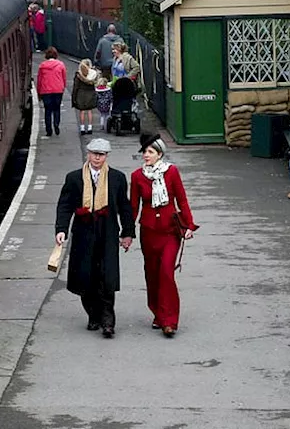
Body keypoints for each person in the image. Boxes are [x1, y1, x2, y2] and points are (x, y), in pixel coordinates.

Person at [55, 138, 135, 338]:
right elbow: (65, 205)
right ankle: (93, 315)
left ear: (106, 156)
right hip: (83, 233)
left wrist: (127, 233)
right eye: (94, 153)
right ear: (88, 154)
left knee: (107, 277)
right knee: (85, 276)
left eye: (101, 154)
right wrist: (61, 229)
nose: (97, 158)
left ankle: (108, 321)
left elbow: (125, 208)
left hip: (107, 232)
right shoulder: (74, 178)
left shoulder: (117, 178)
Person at [130, 133, 198, 338]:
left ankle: (169, 321)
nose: (145, 155)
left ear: (160, 154)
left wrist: (188, 225)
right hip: (149, 231)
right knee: (152, 274)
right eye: (144, 152)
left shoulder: (172, 172)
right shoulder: (137, 176)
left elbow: (182, 200)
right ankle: (157, 313)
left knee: (166, 273)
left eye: (150, 152)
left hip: (170, 231)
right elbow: (133, 206)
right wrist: (126, 232)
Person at [36, 47, 67, 136]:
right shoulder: (61, 65)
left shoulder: (42, 66)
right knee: (57, 109)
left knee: (48, 111)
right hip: (58, 90)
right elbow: (64, 78)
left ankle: (48, 130)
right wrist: (62, 87)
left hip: (46, 91)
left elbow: (39, 80)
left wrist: (39, 92)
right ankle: (56, 124)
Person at [71, 59, 100, 135]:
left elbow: (76, 86)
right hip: (90, 93)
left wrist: (73, 97)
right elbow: (96, 83)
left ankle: (82, 128)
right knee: (89, 111)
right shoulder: (93, 74)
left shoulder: (78, 74)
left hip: (81, 94)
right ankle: (90, 127)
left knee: (82, 111)